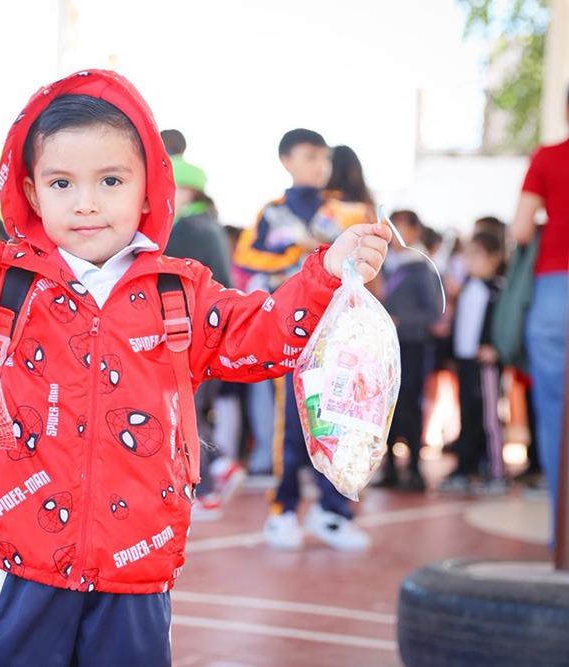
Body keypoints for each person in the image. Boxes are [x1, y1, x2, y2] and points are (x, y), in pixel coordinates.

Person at [0, 70, 391, 665]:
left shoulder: (180, 291)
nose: (86, 203)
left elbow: (264, 332)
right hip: (14, 561)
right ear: (32, 193)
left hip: (137, 570)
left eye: (111, 180)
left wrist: (326, 274)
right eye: (61, 182)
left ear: (149, 188)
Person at [235, 128, 372, 552]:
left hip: (338, 333)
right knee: (290, 426)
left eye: (324, 158)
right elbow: (245, 256)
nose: (320, 165)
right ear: (287, 160)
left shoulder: (347, 212)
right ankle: (283, 509)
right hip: (288, 333)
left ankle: (333, 512)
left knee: (336, 421)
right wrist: (297, 254)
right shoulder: (271, 213)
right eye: (310, 156)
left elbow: (366, 263)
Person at [162, 140, 243, 520]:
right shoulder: (207, 225)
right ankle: (221, 465)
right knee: (191, 411)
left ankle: (207, 490)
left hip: (192, 337)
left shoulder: (186, 230)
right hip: (209, 334)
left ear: (187, 190)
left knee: (184, 413)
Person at [511, 87, 569, 538]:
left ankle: (562, 533)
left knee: (554, 415)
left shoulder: (547, 157)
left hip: (555, 293)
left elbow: (521, 229)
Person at [438, 232, 508, 495]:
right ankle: (466, 469)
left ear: (494, 257)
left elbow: (505, 324)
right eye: (468, 254)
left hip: (485, 365)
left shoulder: (497, 290)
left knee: (489, 419)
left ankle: (497, 472)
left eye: (476, 255)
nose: (470, 260)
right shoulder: (467, 287)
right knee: (467, 416)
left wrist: (497, 347)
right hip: (465, 362)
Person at [377, 210, 440, 491]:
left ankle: (414, 468)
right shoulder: (385, 264)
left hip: (411, 345)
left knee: (410, 406)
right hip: (386, 347)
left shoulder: (421, 266)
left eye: (400, 228)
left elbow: (433, 312)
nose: (395, 235)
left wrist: (401, 321)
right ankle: (390, 467)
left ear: (415, 231)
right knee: (387, 406)